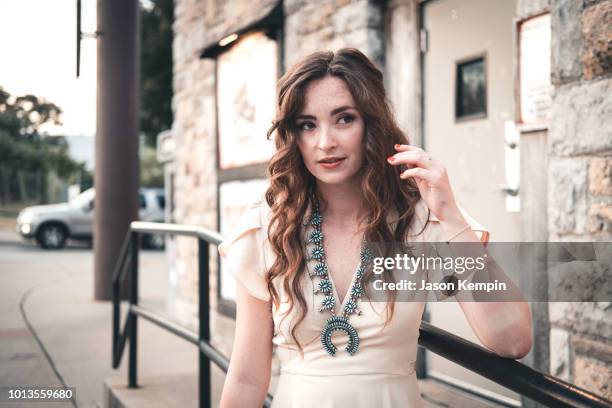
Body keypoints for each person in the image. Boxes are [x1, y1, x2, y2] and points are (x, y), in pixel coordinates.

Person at [217, 48, 532, 408]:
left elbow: (512, 340)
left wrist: (450, 216)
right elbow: (246, 378)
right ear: (294, 135)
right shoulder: (268, 226)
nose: (325, 142)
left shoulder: (422, 220)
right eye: (308, 124)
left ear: (371, 123)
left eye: (344, 119)